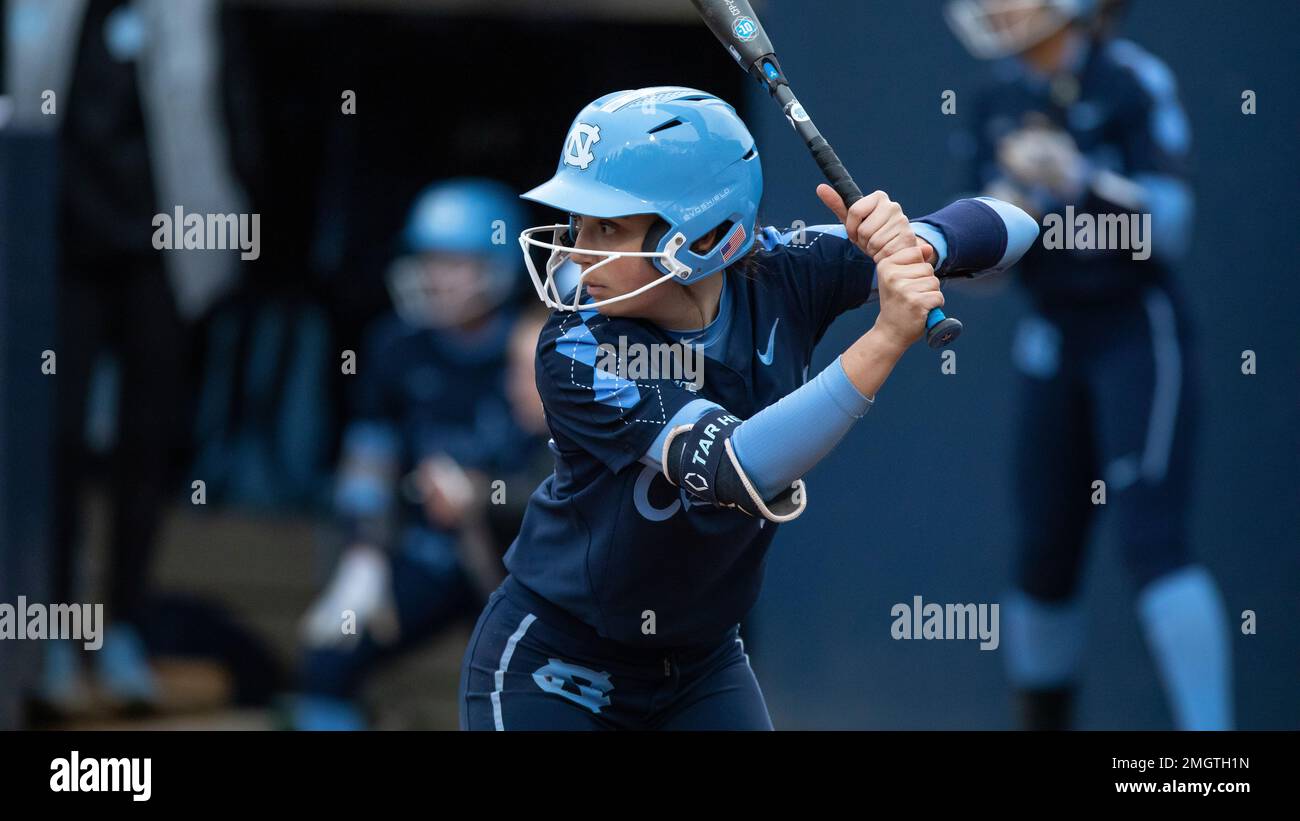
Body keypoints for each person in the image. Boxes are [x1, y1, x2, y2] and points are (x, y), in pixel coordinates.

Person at [459, 86, 1038, 730]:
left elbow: (1016, 222)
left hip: (702, 667)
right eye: (577, 224)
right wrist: (886, 338)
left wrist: (921, 242)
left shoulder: (782, 268)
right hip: (557, 667)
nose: (575, 252)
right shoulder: (578, 345)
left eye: (609, 228)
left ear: (703, 234)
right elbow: (740, 469)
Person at [945, 0, 1232, 729]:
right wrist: (1000, 213)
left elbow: (1172, 226)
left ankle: (1213, 753)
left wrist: (1078, 178)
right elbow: (987, 279)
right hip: (1051, 338)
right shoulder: (998, 101)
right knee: (1044, 552)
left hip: (1135, 331)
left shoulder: (1130, 80)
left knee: (1152, 540)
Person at [292, 179, 549, 730]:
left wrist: (482, 496)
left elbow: (568, 474)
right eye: (428, 260)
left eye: (454, 262)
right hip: (430, 552)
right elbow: (369, 458)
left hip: (523, 560)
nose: (435, 277)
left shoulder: (536, 344)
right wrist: (364, 554)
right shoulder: (396, 347)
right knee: (330, 658)